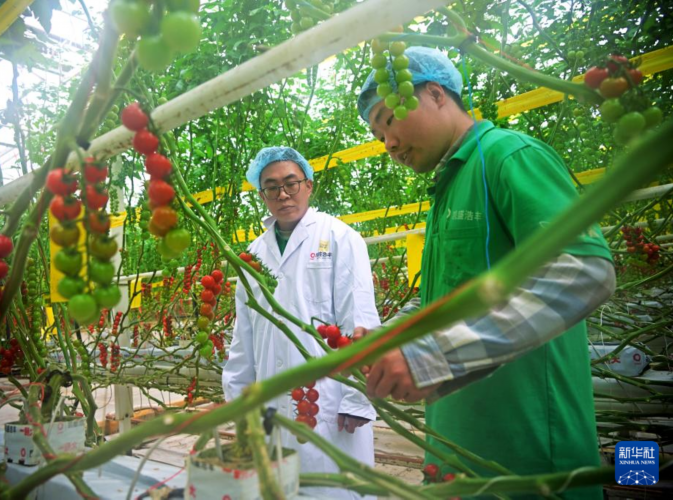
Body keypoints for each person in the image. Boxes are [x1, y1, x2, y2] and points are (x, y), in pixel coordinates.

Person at [354, 47, 616, 498]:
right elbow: (444, 298)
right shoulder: (448, 188)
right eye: (378, 136)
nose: (389, 144)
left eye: (389, 120)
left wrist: (434, 357)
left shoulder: (508, 156)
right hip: (459, 458)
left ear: (436, 94)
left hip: (530, 462)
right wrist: (392, 335)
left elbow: (584, 272)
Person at [222, 147, 379, 499]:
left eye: (291, 183)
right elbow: (243, 335)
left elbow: (360, 318)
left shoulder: (339, 237)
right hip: (270, 399)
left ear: (308, 185)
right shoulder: (253, 254)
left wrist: (357, 397)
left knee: (335, 488)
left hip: (328, 398)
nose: (283, 194)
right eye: (271, 187)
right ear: (262, 195)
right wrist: (238, 397)